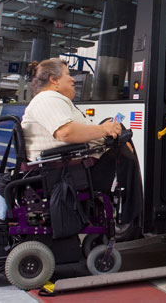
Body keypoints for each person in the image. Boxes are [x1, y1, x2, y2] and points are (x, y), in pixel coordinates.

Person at [21, 58, 142, 224]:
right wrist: (103, 130)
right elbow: (65, 132)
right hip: (64, 172)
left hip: (64, 167)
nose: (73, 79)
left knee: (119, 134)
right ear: (54, 80)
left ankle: (132, 211)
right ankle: (133, 214)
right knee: (121, 148)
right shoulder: (47, 99)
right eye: (68, 74)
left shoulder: (52, 99)